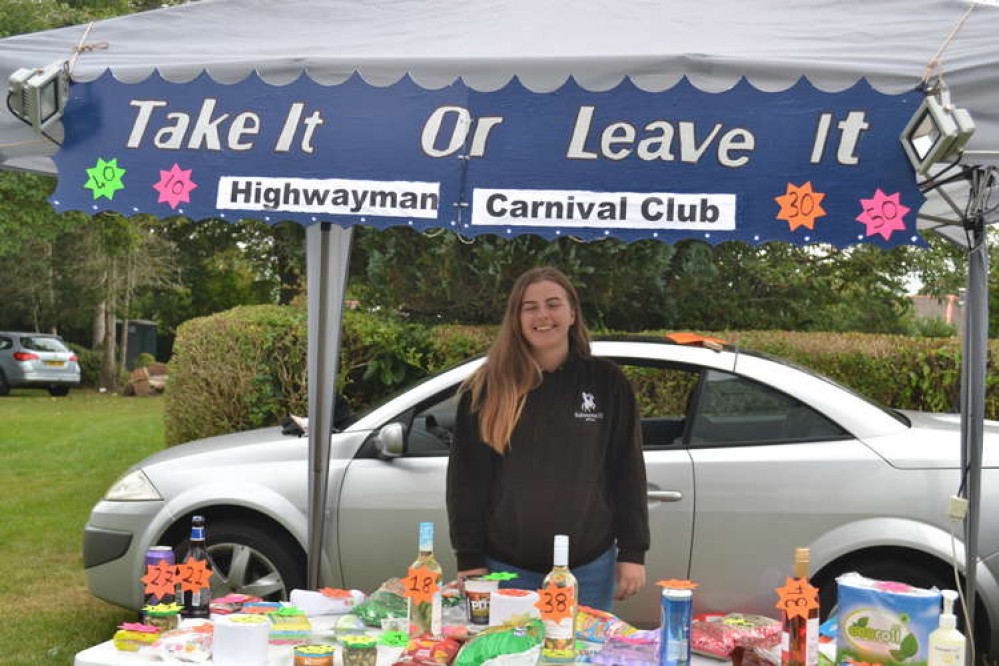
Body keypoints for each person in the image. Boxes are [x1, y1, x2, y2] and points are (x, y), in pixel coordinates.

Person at [446, 266, 650, 612]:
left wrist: (633, 551)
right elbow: (466, 481)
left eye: (553, 304)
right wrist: (470, 560)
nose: (543, 315)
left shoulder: (607, 382)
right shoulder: (488, 387)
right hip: (506, 568)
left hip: (589, 567)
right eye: (530, 307)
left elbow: (626, 471)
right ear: (517, 318)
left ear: (572, 313)